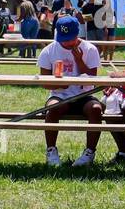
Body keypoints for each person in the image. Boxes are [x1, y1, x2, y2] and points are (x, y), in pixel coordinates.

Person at [38, 14, 104, 167]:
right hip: (59, 94)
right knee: (53, 107)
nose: (67, 42)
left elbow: (93, 80)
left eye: (70, 38)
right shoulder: (49, 51)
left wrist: (79, 60)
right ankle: (51, 150)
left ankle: (89, 152)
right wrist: (59, 84)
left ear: (78, 34)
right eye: (63, 39)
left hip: (84, 95)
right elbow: (45, 84)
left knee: (95, 109)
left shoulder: (89, 49)